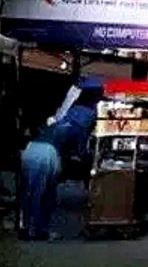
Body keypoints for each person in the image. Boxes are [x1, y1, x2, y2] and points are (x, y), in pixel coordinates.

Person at [19, 80, 101, 241]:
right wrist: (85, 157)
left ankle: (25, 227)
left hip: (31, 148)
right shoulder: (88, 114)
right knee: (46, 195)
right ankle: (40, 231)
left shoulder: (65, 111)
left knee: (29, 192)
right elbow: (81, 146)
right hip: (49, 152)